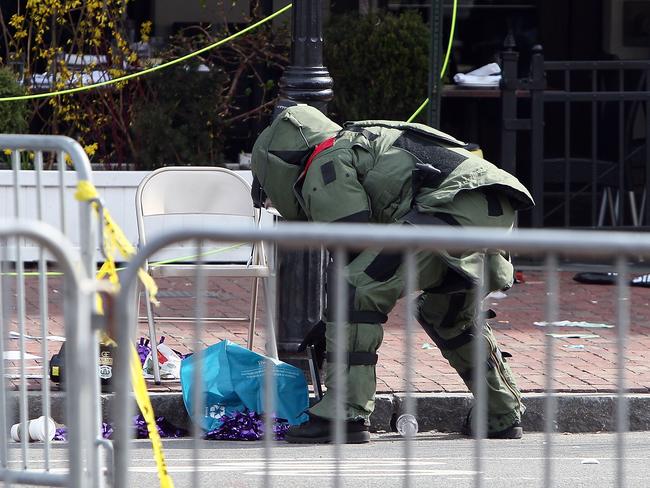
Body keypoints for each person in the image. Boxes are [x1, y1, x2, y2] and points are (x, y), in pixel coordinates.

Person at [250, 104, 534, 444]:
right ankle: (501, 412)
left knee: (354, 288)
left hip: (445, 212)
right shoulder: (364, 140)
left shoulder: (325, 158)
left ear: (277, 164)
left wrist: (337, 318)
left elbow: (352, 242)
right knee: (446, 313)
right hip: (487, 213)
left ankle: (346, 411)